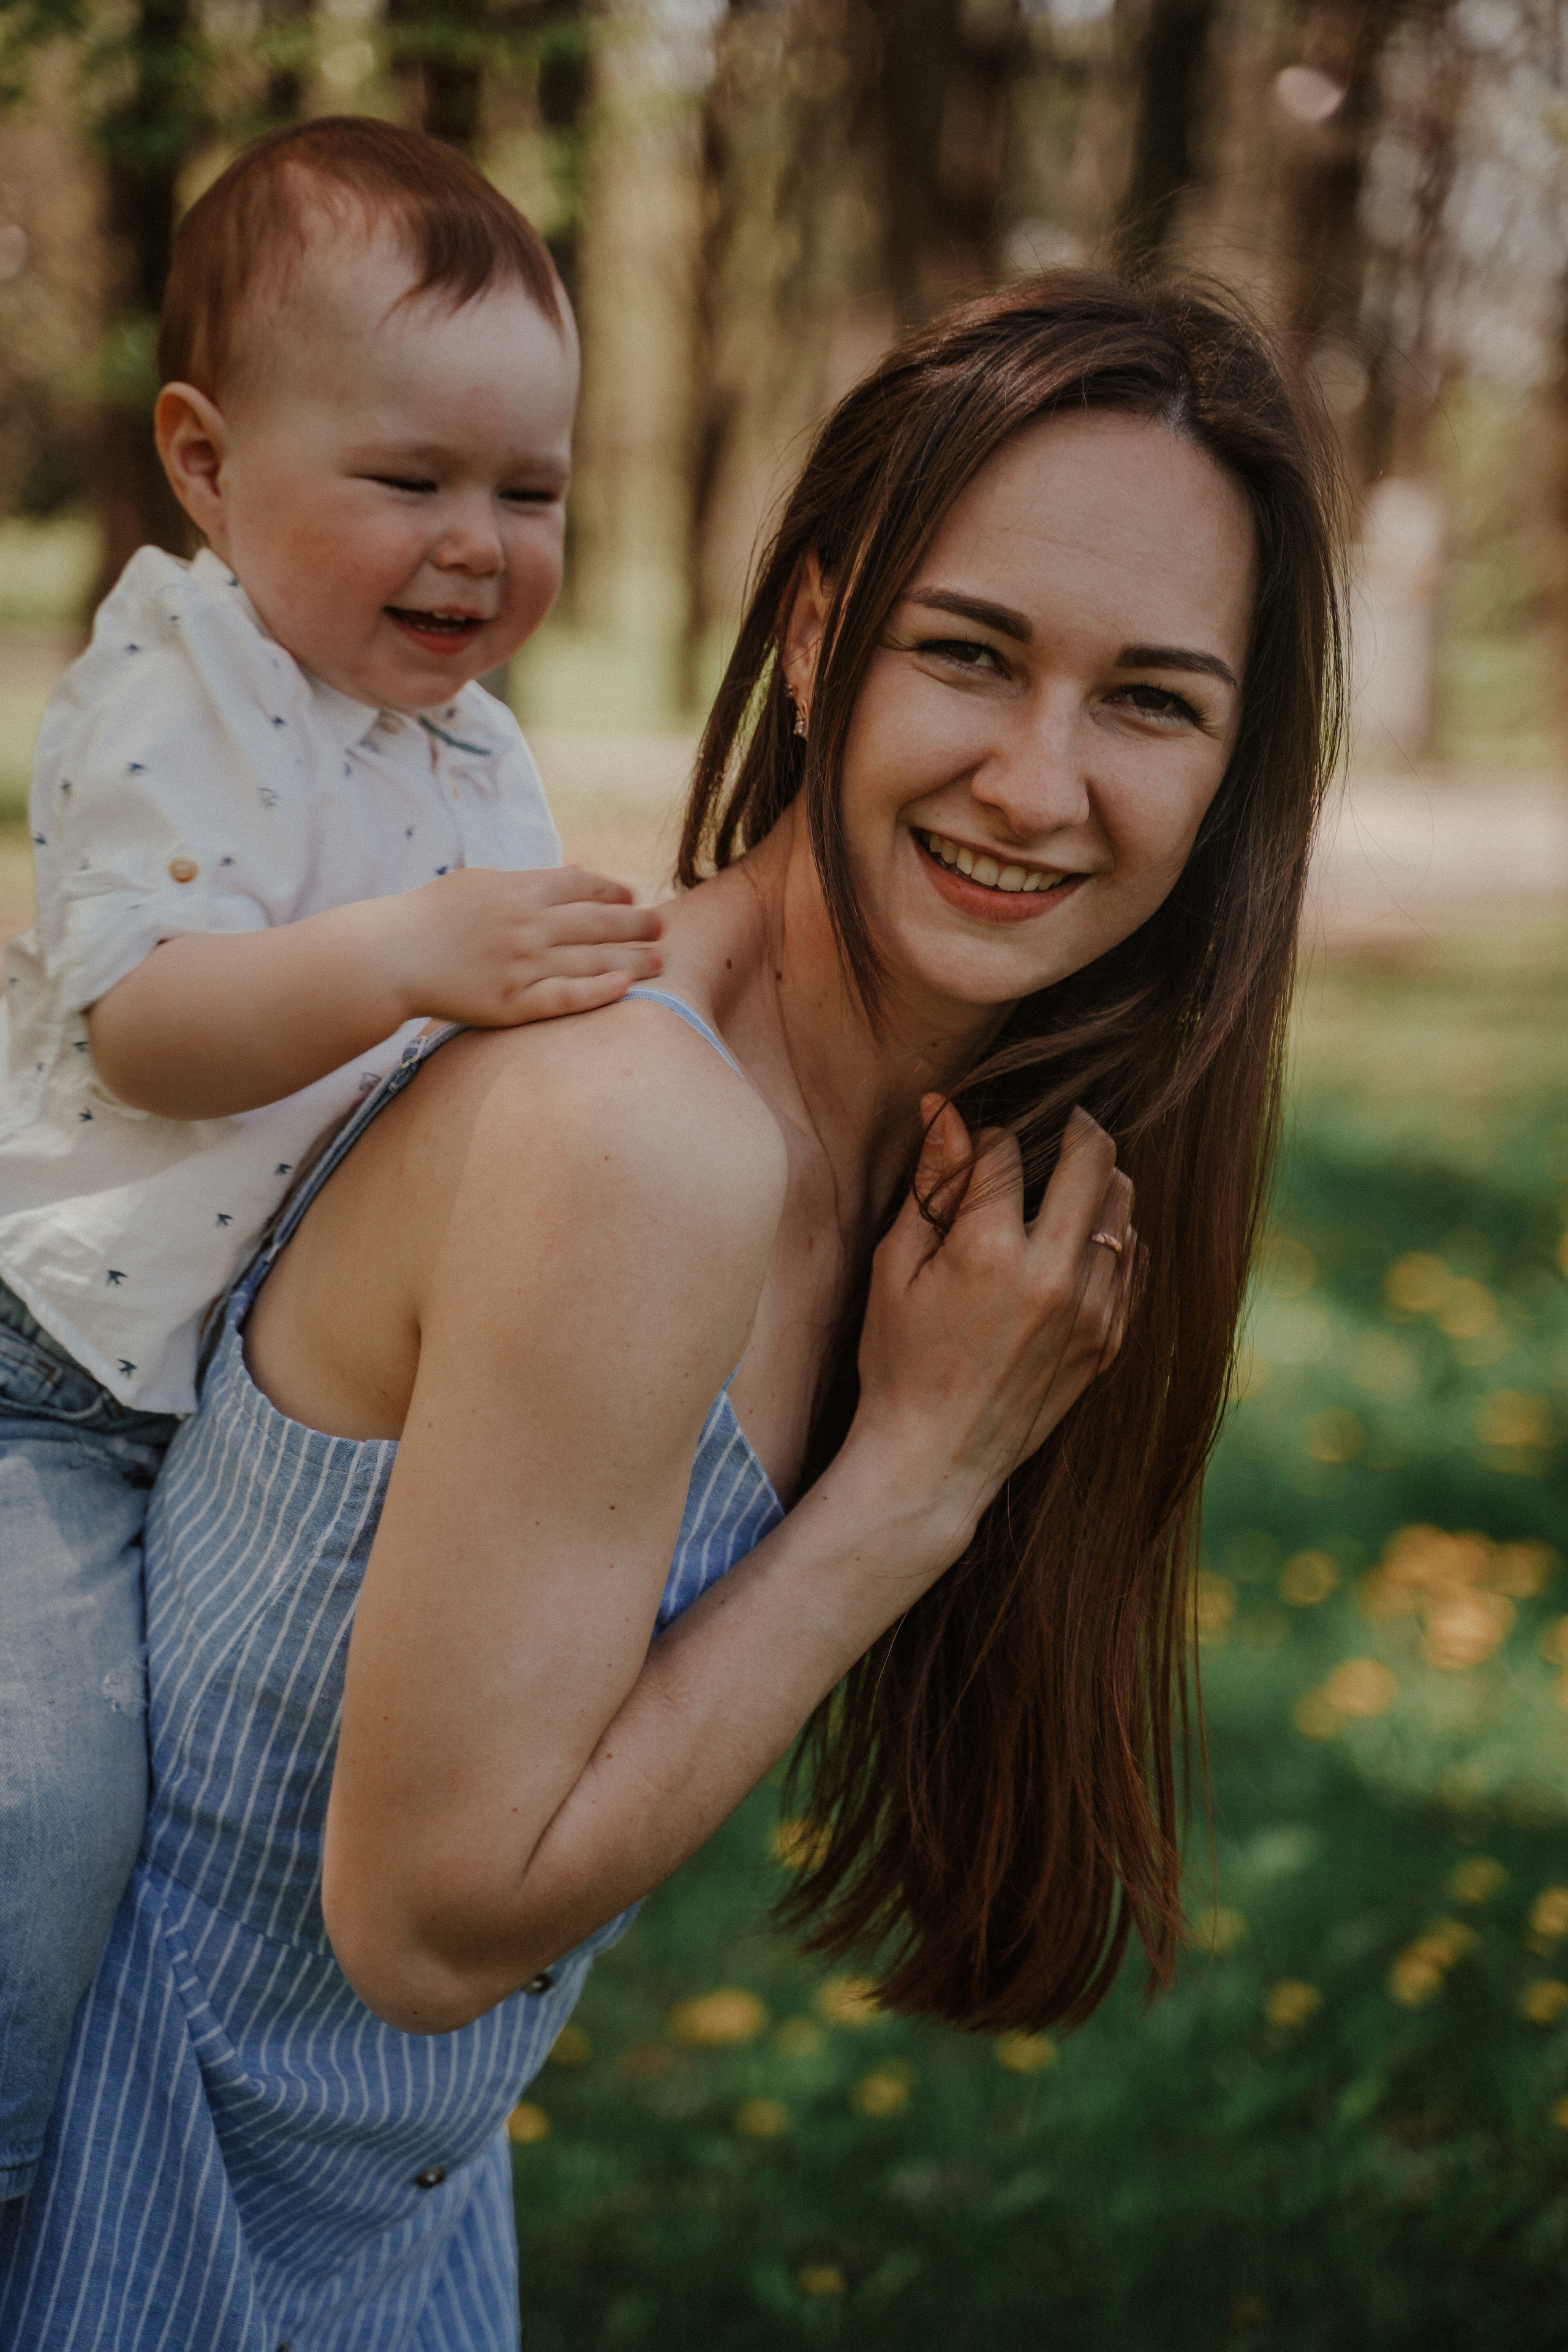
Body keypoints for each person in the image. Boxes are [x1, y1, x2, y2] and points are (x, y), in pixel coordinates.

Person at [0, 270, 1342, 2347]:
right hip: (124, 2189)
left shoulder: (926, 1170)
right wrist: (913, 1481)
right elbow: (430, 1928)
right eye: (971, 654)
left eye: (1153, 700)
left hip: (395, 2217)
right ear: (815, 636)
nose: (1038, 781)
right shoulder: (639, 1131)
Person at [0, 118, 664, 2208]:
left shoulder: (471, 743)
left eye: (529, 494)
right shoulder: (177, 687)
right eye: (410, 480)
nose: (479, 545)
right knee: (48, 1803)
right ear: (206, 463)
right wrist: (404, 962)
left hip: (256, 1386)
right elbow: (149, 1022)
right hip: (52, 1377)